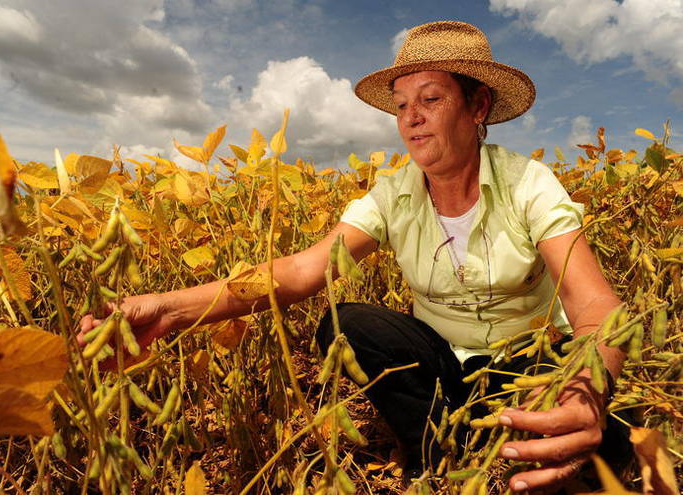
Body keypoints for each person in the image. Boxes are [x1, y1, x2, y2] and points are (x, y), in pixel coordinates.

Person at [80, 21, 626, 493]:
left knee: (608, 443)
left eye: (431, 99)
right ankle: (439, 456)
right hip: (441, 369)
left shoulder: (528, 184)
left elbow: (594, 303)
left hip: (526, 366)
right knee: (351, 323)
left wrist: (586, 389)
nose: (412, 118)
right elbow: (299, 272)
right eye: (402, 106)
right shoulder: (392, 195)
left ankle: (508, 433)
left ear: (477, 105)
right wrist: (169, 310)